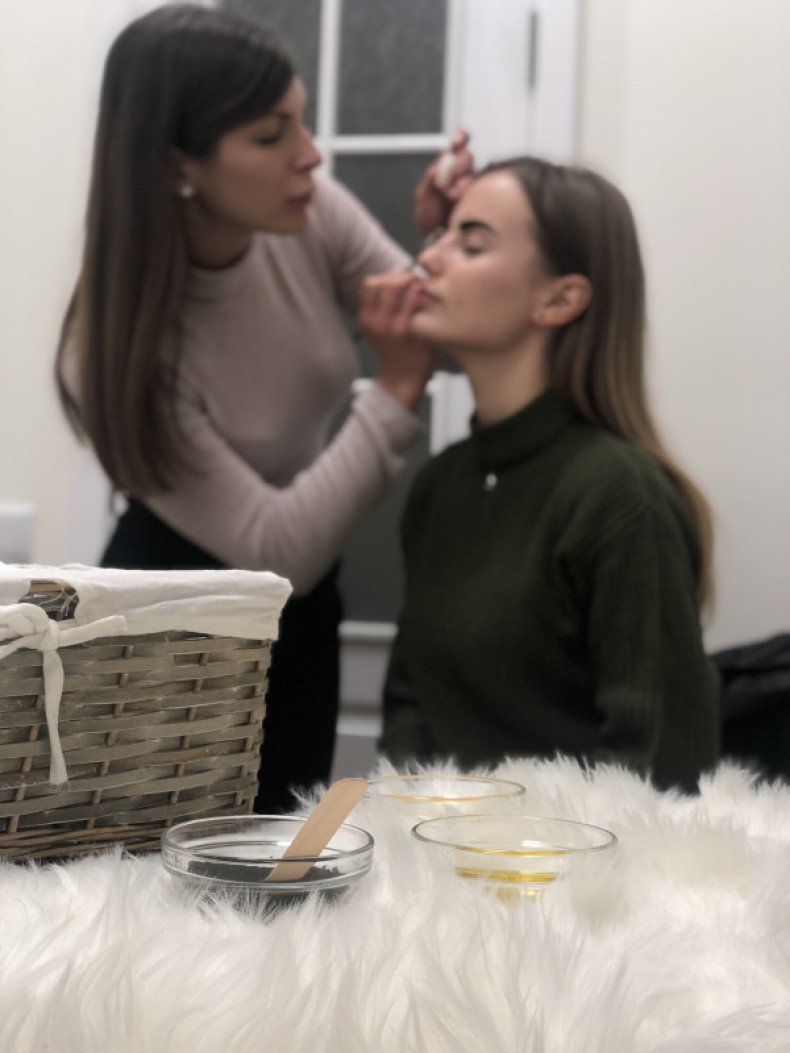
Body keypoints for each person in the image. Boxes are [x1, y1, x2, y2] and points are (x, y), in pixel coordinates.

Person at [55, 3, 473, 812]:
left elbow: (447, 340)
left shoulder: (310, 213)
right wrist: (393, 388)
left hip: (303, 612)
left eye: (302, 121)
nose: (310, 154)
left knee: (284, 855)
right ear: (178, 163)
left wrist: (451, 243)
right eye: (271, 134)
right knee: (166, 859)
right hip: (173, 619)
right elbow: (278, 549)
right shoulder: (110, 352)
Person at [360, 156, 721, 792]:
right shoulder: (442, 484)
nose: (429, 259)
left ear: (560, 299)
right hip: (432, 847)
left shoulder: (619, 494)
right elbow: (410, 710)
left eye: (471, 243)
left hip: (573, 852)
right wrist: (409, 827)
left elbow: (661, 767)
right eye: (440, 237)